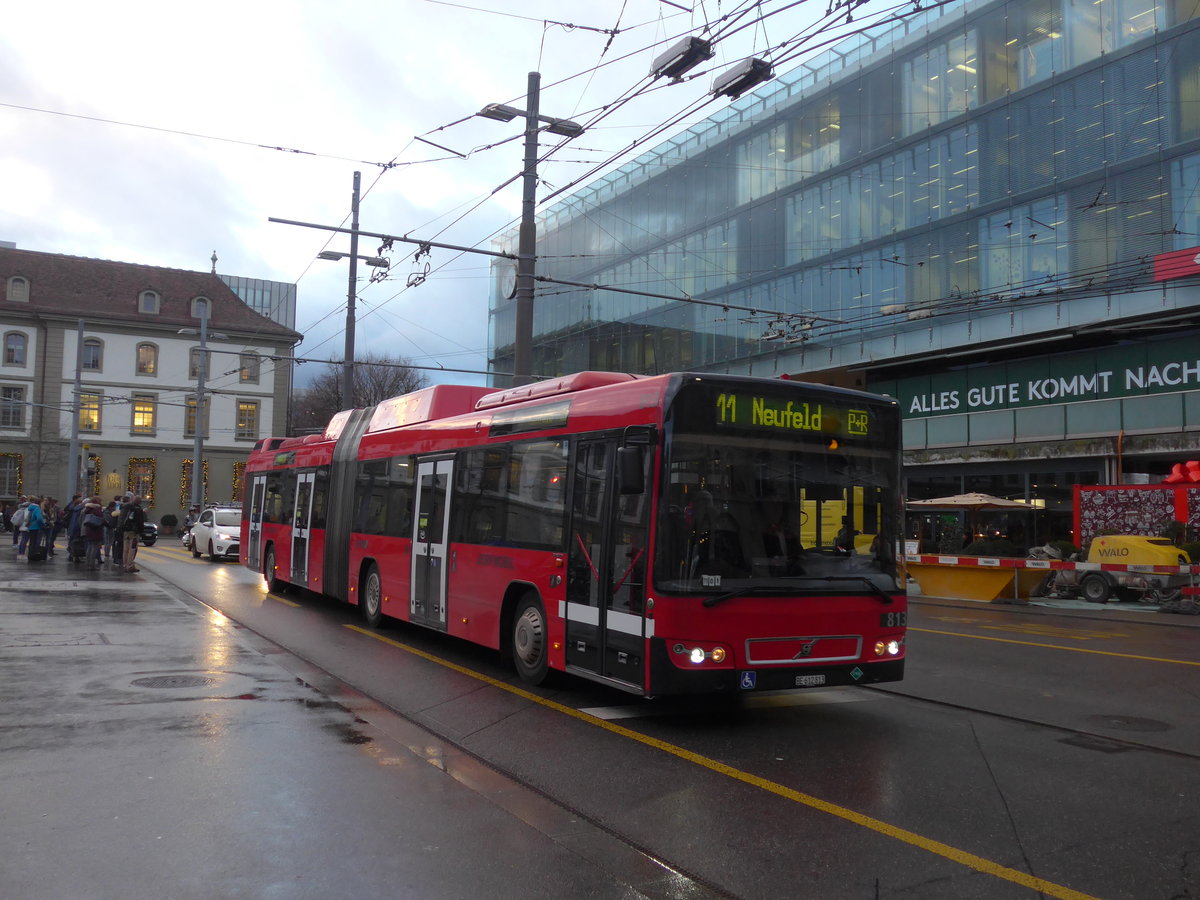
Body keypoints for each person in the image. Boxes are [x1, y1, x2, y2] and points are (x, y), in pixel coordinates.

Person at [120, 495, 146, 573]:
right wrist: (140, 530)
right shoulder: (138, 509)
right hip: (134, 532)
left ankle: (124, 564)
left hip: (126, 530)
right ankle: (130, 565)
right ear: (139, 501)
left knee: (125, 549)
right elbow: (139, 521)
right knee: (132, 549)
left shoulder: (126, 507)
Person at [80, 496, 105, 569]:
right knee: (94, 548)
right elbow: (101, 519)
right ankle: (92, 565)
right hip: (96, 530)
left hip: (88, 529)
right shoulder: (97, 509)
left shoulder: (87, 509)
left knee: (89, 547)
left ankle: (88, 563)